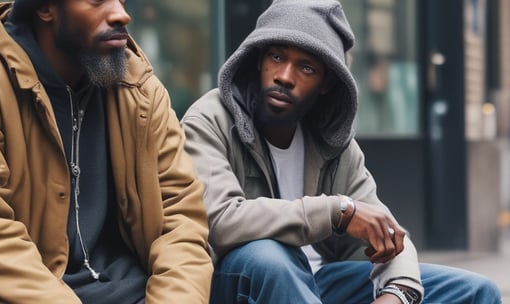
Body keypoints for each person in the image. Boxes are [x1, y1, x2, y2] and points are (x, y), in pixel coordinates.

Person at [181, 0, 501, 303]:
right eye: (277, 57)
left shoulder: (332, 142)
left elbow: (387, 231)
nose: (285, 77)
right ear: (259, 59)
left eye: (306, 68)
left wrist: (399, 291)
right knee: (272, 256)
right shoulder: (211, 118)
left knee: (474, 292)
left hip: (319, 281)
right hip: (237, 280)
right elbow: (219, 221)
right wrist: (336, 212)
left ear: (326, 84)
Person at [0, 0, 213, 303]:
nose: (122, 14)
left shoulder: (140, 89)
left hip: (124, 288)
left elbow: (180, 220)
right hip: (10, 290)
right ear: (45, 8)